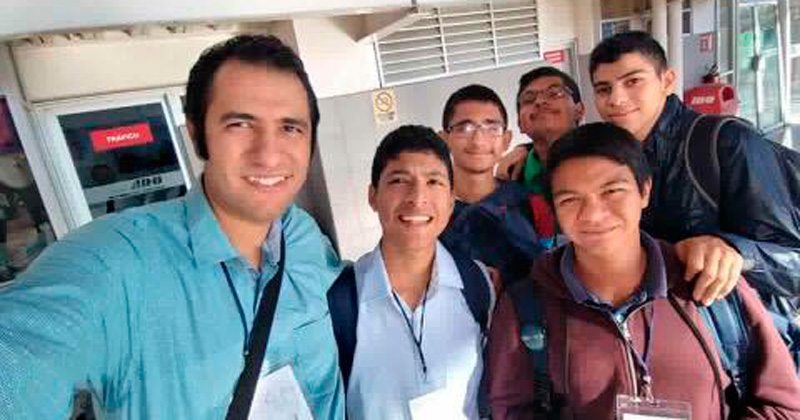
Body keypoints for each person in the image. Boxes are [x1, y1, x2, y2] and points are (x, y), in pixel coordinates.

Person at [0, 35, 345, 419]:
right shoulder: (113, 266)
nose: (268, 154)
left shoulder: (302, 236)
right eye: (240, 124)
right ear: (197, 135)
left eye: (290, 128)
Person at [487, 122, 800, 419]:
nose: (593, 214)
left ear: (644, 191)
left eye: (612, 191)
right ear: (555, 210)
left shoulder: (710, 283)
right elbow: (512, 410)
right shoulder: (526, 307)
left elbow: (783, 406)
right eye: (570, 199)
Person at [589, 31, 800, 358]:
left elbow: (793, 264)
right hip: (665, 349)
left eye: (632, 81)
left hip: (745, 353)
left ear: (667, 80)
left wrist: (735, 252)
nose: (616, 99)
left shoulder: (726, 142)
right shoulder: (614, 158)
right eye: (604, 89)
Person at [334, 125, 494, 419]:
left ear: (451, 200)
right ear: (373, 196)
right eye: (399, 180)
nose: (418, 198)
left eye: (434, 181)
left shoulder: (476, 282)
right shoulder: (341, 300)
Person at [439, 84, 555, 287]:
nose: (478, 140)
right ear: (444, 139)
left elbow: (550, 272)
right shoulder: (430, 210)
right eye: (464, 128)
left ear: (506, 140)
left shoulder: (532, 205)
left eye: (492, 128)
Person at [496, 66, 585, 187]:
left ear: (579, 110)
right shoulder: (508, 182)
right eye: (528, 99)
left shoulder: (607, 159)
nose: (539, 101)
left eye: (554, 93)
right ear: (520, 124)